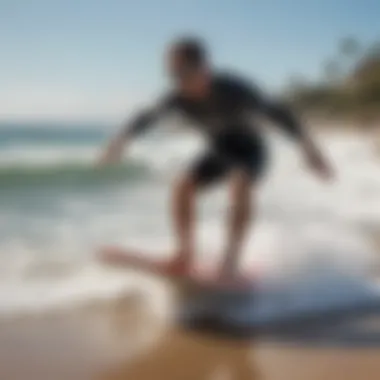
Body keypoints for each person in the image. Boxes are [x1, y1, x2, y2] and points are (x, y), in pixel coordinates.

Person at [99, 36, 333, 279]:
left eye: (183, 73)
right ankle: (185, 255)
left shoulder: (235, 90)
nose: (178, 81)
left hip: (250, 149)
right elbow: (146, 117)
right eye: (172, 75)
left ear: (203, 68)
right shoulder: (176, 98)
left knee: (239, 182)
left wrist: (310, 150)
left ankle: (230, 262)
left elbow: (279, 113)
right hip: (219, 149)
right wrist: (119, 142)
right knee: (182, 186)